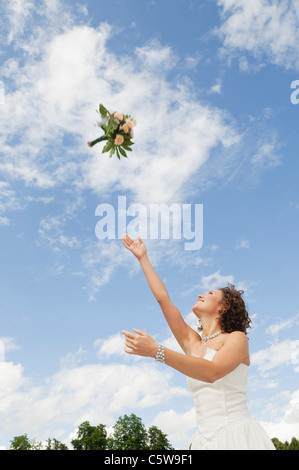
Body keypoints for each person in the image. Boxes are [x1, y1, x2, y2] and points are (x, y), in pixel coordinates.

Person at [121, 234, 275, 451]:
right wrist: (143, 258)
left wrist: (157, 351)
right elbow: (163, 299)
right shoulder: (192, 342)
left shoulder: (237, 339)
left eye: (210, 293)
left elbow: (212, 372)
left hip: (237, 436)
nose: (200, 294)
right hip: (203, 441)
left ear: (223, 307)